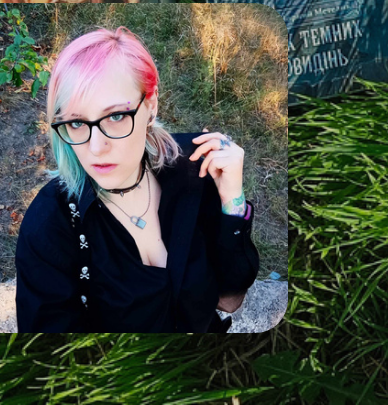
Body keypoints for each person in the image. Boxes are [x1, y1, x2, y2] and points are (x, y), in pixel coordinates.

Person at [15, 28, 258, 332]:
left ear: (151, 105)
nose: (96, 147)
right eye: (76, 122)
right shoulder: (49, 228)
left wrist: (232, 202)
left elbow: (231, 298)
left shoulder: (195, 168)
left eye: (116, 116)